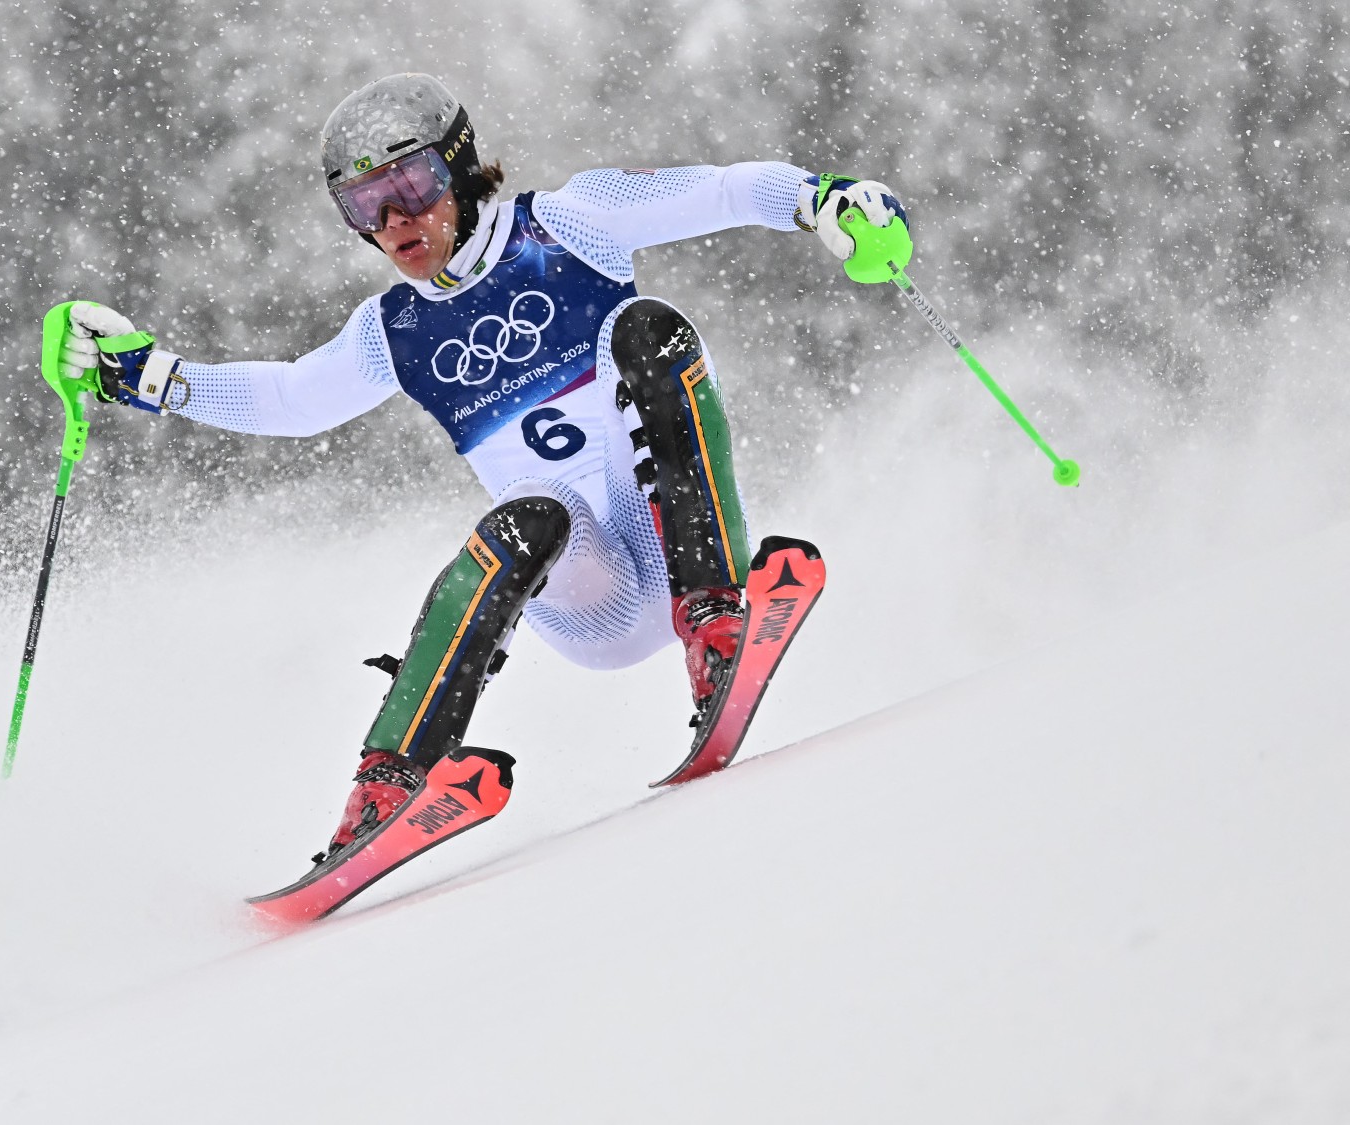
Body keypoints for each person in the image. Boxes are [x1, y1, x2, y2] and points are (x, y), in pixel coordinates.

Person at [47, 73, 910, 865]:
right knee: (530, 512)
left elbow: (720, 189)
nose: (395, 224)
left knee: (648, 330)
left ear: (459, 171)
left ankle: (718, 621)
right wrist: (144, 376)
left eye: (410, 188)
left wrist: (821, 200)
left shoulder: (570, 221)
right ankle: (386, 783)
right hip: (589, 596)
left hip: (669, 533)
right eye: (365, 208)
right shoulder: (393, 329)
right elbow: (290, 400)